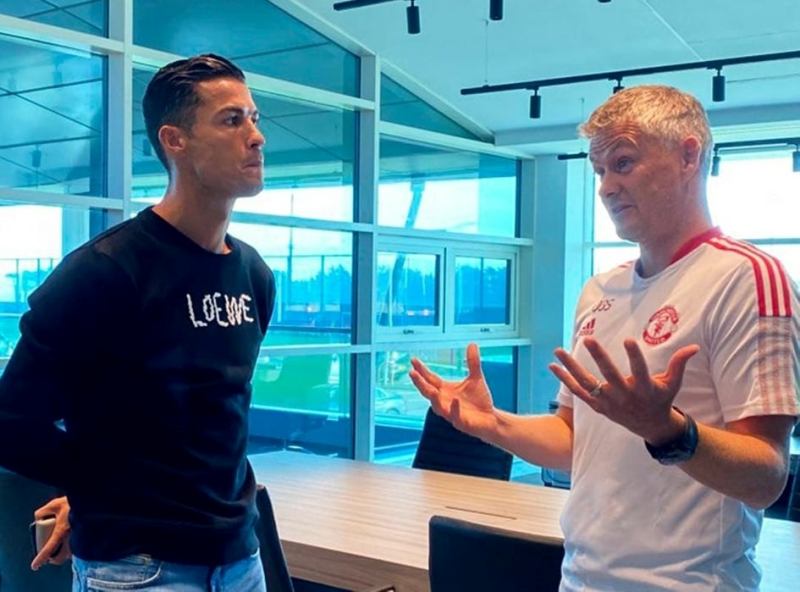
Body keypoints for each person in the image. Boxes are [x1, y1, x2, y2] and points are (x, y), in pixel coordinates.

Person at [410, 85, 799, 591]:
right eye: (598, 172)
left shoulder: (747, 278)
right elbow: (575, 439)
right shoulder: (600, 290)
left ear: (688, 156)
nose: (606, 188)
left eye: (623, 163)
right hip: (580, 579)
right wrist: (493, 424)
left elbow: (767, 478)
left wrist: (670, 432)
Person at [0, 54, 274, 591]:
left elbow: (210, 426)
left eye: (254, 117)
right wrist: (100, 489)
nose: (256, 136)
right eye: (231, 119)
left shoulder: (254, 276)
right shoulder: (104, 272)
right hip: (139, 570)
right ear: (175, 140)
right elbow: (11, 424)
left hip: (242, 561)